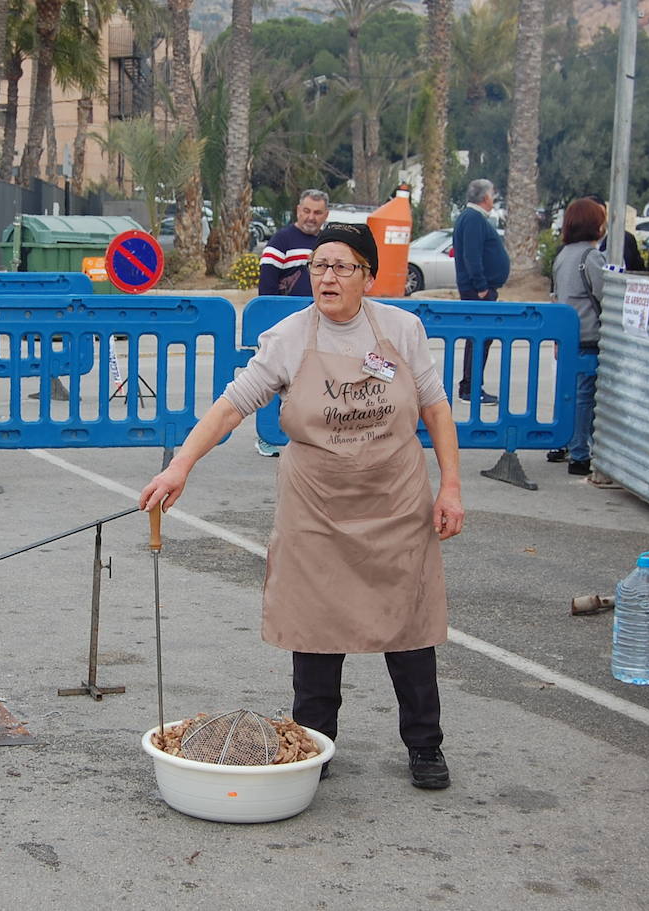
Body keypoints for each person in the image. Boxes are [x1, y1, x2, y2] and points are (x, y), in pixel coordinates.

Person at [139, 221, 464, 790]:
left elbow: (435, 408)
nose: (327, 277)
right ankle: (317, 746)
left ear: (368, 276)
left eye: (342, 267)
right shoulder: (289, 337)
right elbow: (231, 405)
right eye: (319, 266)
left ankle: (424, 745)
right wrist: (180, 465)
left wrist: (451, 487)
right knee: (315, 630)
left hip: (395, 501)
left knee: (410, 628)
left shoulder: (402, 329)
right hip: (316, 507)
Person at [254, 189, 330, 456]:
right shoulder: (281, 240)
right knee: (275, 380)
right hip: (284, 327)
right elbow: (267, 287)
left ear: (326, 215)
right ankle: (266, 436)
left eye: (317, 212)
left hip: (321, 326)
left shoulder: (329, 243)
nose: (311, 217)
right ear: (298, 210)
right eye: (306, 211)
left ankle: (306, 437)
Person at [544, 199, 607, 477]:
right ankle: (580, 453)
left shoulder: (563, 255)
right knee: (584, 398)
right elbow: (605, 295)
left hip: (567, 336)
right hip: (589, 335)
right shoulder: (591, 257)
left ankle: (566, 444)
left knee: (569, 395)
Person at [453, 179, 509, 405]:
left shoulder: (472, 218)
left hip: (479, 290)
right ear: (486, 197)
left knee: (479, 338)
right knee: (479, 338)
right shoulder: (473, 219)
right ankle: (471, 389)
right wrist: (481, 286)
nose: (493, 198)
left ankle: (472, 386)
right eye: (492, 194)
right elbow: (472, 256)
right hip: (478, 292)